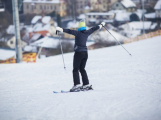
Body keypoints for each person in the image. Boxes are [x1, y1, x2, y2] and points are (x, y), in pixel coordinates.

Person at [56, 20, 105, 92]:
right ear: (84, 27)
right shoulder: (87, 32)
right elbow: (94, 28)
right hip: (85, 53)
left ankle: (77, 85)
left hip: (78, 53)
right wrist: (101, 25)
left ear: (79, 27)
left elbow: (69, 31)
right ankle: (86, 84)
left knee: (75, 69)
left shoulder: (77, 33)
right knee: (82, 69)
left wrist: (60, 29)